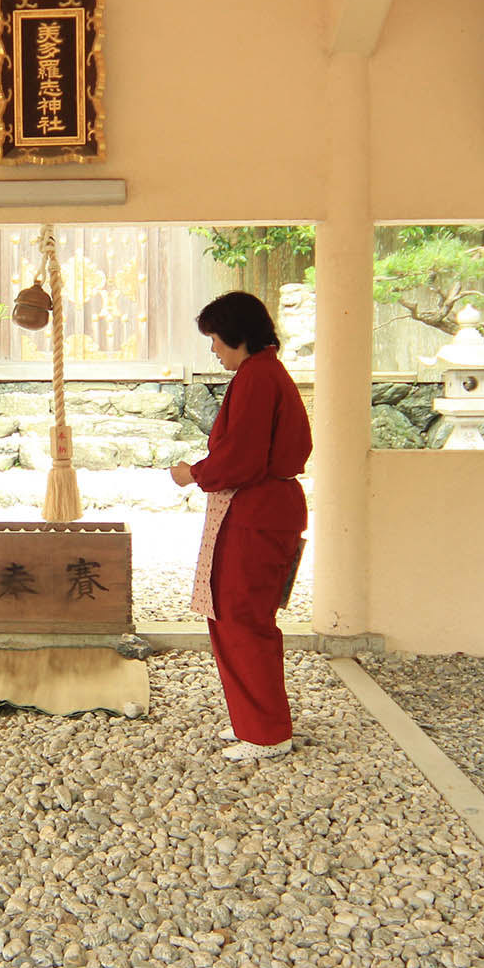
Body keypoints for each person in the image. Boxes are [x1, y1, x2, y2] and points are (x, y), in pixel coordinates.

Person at [170, 291, 312, 761]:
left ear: (237, 336)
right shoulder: (265, 373)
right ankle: (252, 720)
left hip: (257, 510)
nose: (213, 349)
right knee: (235, 613)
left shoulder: (258, 378)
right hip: (263, 507)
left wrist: (195, 473)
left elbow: (244, 457)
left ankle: (267, 732)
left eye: (215, 339)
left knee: (242, 616)